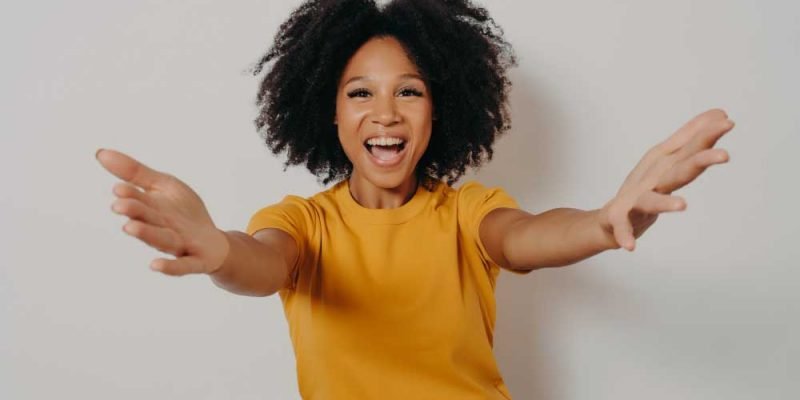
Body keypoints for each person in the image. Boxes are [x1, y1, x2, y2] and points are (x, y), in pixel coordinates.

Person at [95, 0, 734, 398]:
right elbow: (260, 264)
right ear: (329, 114)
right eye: (359, 93)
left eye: (409, 91)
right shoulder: (302, 223)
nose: (385, 115)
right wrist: (215, 251)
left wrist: (602, 222)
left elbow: (527, 237)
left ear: (439, 110)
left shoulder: (466, 214)